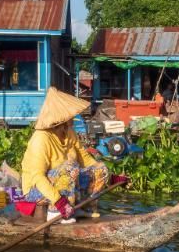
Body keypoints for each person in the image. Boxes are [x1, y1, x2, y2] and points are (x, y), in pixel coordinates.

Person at [21, 87, 127, 223]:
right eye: (70, 114)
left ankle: (83, 207)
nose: (74, 116)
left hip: (65, 182)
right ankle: (54, 212)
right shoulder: (41, 139)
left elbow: (85, 159)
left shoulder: (69, 132)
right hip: (37, 189)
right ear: (61, 118)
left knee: (100, 168)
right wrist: (58, 201)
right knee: (70, 168)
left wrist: (110, 177)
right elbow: (38, 177)